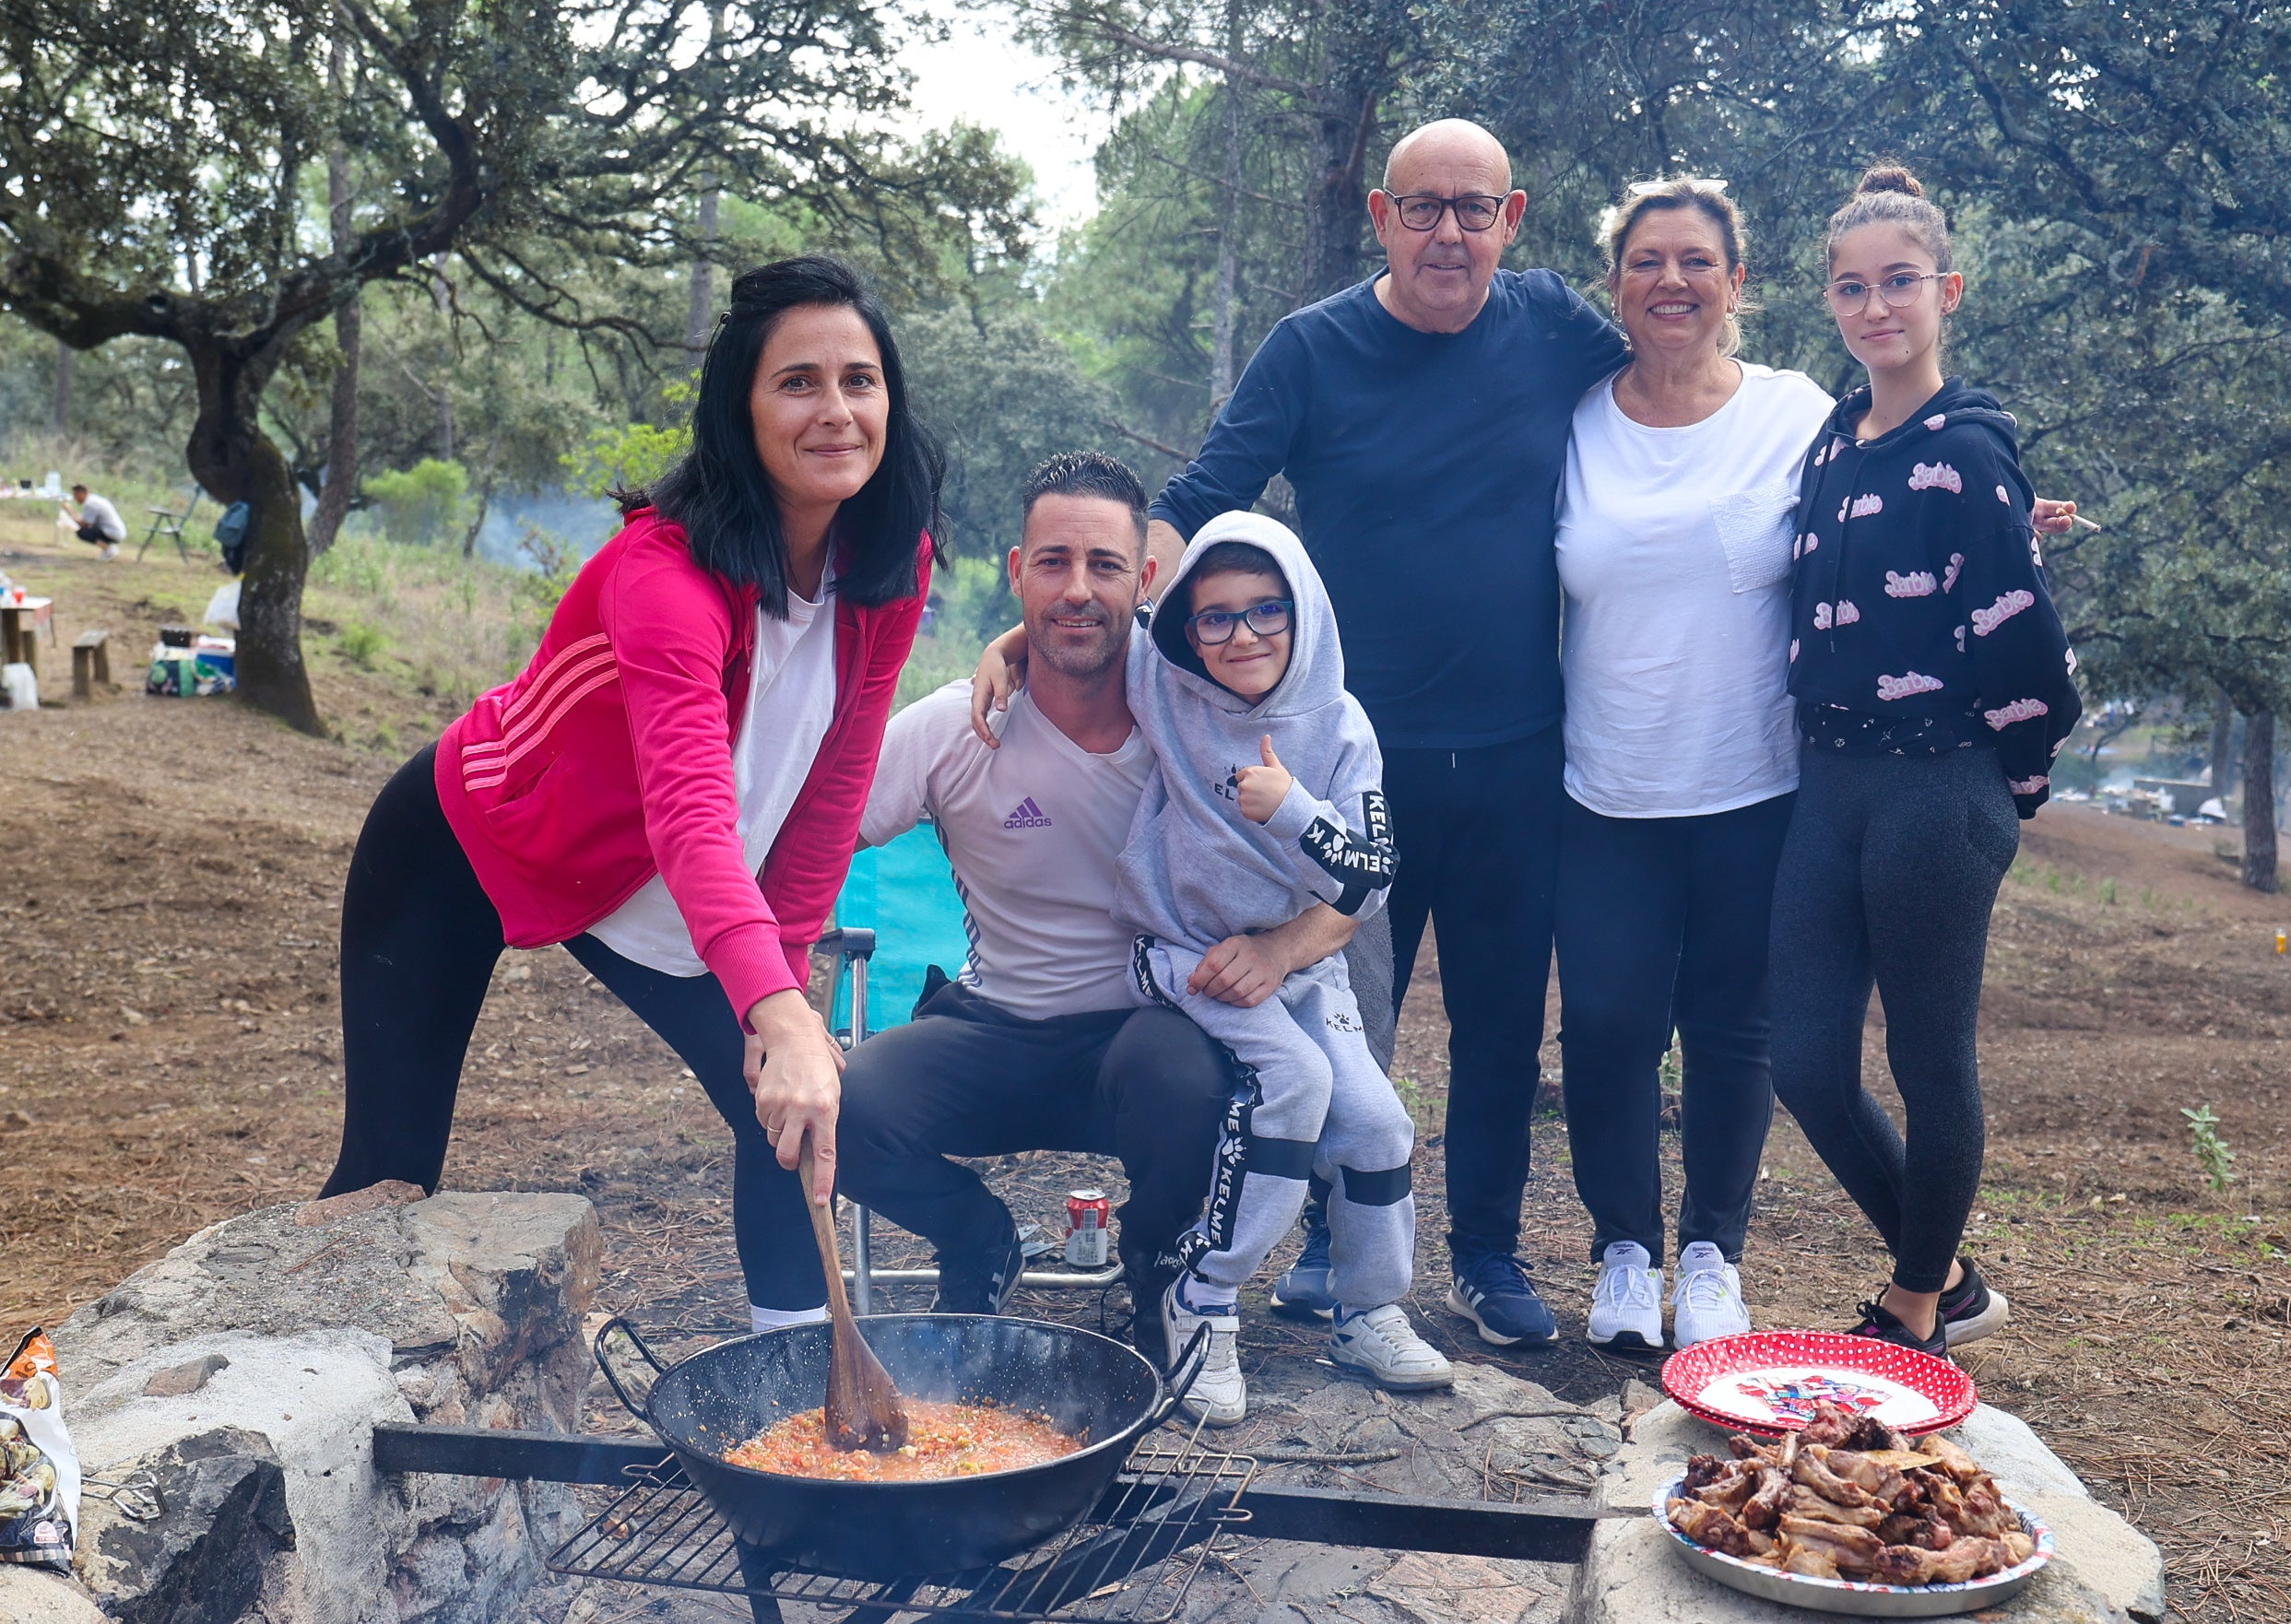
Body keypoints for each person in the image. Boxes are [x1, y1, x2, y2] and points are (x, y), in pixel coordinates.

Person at [978, 119, 1628, 1348]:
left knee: (1497, 1024)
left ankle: (1484, 1255)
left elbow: (1681, 381)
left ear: (1513, 217)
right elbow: (1189, 501)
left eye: (1472, 209)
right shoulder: (1314, 349)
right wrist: (1061, 625)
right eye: (1422, 207)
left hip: (1511, 752)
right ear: (1380, 216)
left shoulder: (1552, 327)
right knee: (1348, 1020)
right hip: (1335, 762)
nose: (1448, 231)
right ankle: (1331, 1249)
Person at [320, 253, 936, 1334]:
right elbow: (691, 813)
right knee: (390, 1172)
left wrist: (782, 991)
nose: (835, 410)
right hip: (465, 839)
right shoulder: (664, 574)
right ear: (738, 408)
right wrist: (777, 1006)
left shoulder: (890, 560)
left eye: (859, 379)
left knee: (779, 1113)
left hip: (661, 880)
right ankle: (296, 1382)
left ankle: (802, 1407)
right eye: (798, 382)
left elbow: (833, 788)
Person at [834, 455, 1359, 1389]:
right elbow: (817, 848)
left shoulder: (1198, 719)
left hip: (1145, 1032)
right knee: (839, 1107)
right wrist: (780, 1001)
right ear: (1014, 571)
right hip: (994, 1027)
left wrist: (1281, 949)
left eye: (1105, 565)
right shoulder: (956, 726)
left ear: (1146, 581)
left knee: (1185, 1073)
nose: (1076, 589)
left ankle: (1158, 1265)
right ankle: (976, 1235)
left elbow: (1352, 870)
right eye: (1052, 562)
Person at [1770, 166, 2082, 1357]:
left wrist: (2006, 788)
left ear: (1944, 290)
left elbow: (2023, 641)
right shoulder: (1828, 446)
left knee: (1924, 1057)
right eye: (1851, 288)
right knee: (1801, 1054)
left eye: (1898, 282)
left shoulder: (1969, 453)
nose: (1874, 307)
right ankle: (1947, 1270)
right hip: (1828, 785)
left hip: (1936, 789)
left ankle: (1913, 1306)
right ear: (1832, 304)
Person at [1552, 180, 1830, 1353]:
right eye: (1645, 260)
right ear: (1614, 282)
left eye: (1695, 261)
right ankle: (1623, 1250)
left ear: (1735, 283)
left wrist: (1996, 519)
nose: (1670, 280)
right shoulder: (1570, 420)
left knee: (1730, 1027)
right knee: (1608, 1023)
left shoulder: (1794, 412)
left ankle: (1711, 1256)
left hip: (1753, 785)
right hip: (1604, 789)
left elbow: (1879, 517)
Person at [1121, 512, 1454, 1423]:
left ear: (1303, 609)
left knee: (1378, 1125)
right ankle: (1204, 1295)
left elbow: (1370, 884)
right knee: (1296, 1083)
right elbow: (1090, 621)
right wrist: (1006, 647)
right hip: (1184, 953)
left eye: (1264, 610)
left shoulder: (1341, 725)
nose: (1240, 636)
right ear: (1186, 628)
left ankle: (1367, 1308)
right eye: (1214, 616)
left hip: (1302, 967)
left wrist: (1292, 809)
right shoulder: (1167, 683)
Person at [62, 484, 125, 559]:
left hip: (112, 533)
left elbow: (84, 524)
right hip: (117, 532)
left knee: (83, 532)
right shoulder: (93, 499)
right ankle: (108, 549)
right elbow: (85, 520)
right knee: (88, 529)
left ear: (81, 493)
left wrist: (70, 511)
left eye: (75, 495)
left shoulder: (90, 504)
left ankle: (109, 550)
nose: (75, 499)